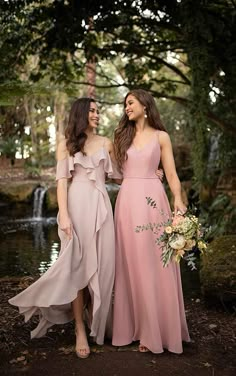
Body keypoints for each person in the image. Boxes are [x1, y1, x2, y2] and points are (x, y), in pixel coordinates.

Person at [9, 97, 117, 359]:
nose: (97, 114)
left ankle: (98, 321)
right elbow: (61, 183)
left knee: (104, 267)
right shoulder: (65, 145)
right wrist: (64, 216)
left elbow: (120, 175)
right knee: (78, 271)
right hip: (76, 208)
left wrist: (151, 174)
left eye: (98, 111)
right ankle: (80, 328)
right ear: (81, 113)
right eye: (92, 110)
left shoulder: (106, 143)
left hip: (102, 208)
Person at [112, 89, 190, 354]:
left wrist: (178, 199)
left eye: (130, 102)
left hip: (154, 203)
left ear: (145, 105)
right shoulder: (120, 136)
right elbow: (113, 172)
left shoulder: (161, 137)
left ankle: (156, 330)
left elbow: (170, 172)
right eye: (125, 104)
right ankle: (134, 327)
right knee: (131, 263)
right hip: (127, 202)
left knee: (154, 262)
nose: (127, 107)